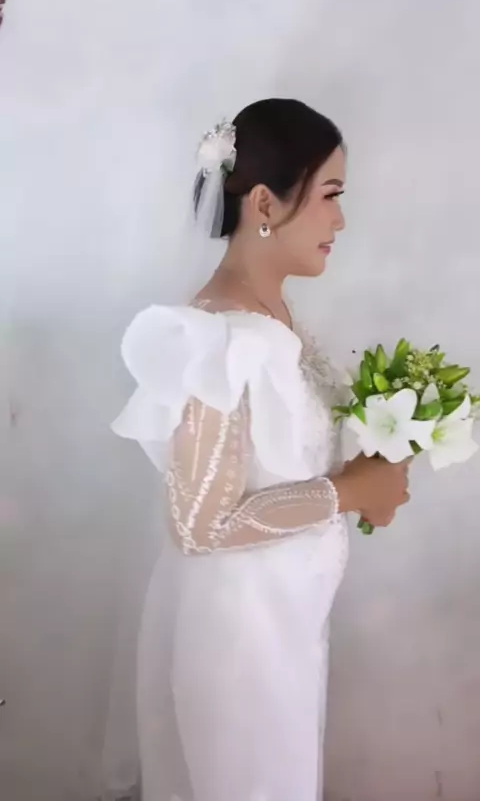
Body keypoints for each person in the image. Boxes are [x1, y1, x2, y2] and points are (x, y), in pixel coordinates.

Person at [111, 98, 410, 801]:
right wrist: (348, 492)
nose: (340, 220)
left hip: (283, 622)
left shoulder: (270, 316)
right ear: (267, 204)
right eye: (330, 195)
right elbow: (199, 522)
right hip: (237, 643)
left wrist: (372, 474)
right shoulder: (222, 338)